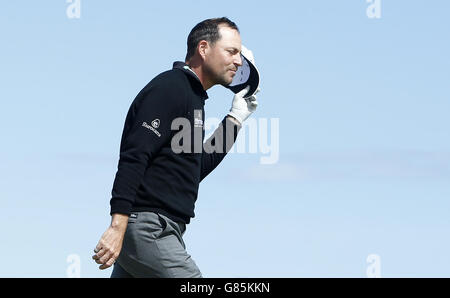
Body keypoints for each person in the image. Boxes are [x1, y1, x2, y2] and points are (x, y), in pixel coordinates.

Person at [92, 17, 259, 278]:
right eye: (232, 51)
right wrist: (117, 225)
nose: (238, 62)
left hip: (162, 230)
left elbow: (194, 168)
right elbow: (135, 156)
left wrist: (235, 119)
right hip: (149, 230)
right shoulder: (170, 88)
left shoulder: (193, 99)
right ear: (203, 49)